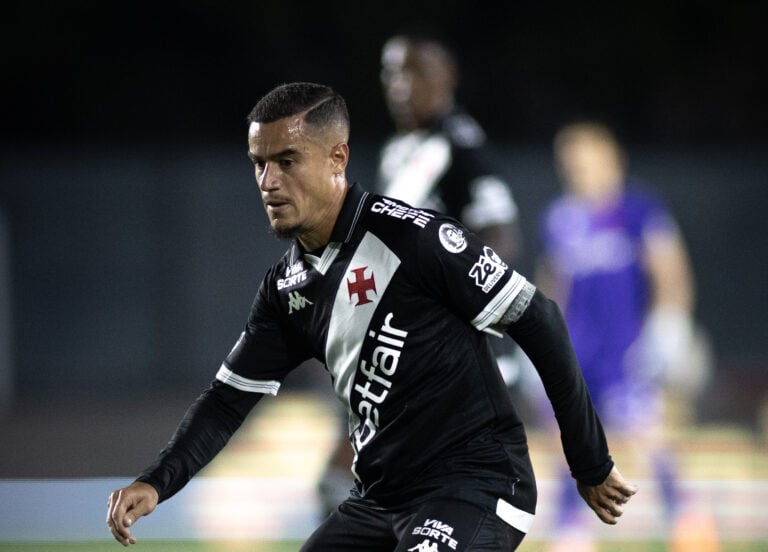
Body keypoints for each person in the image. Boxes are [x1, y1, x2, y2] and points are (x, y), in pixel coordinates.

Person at [106, 83, 636, 551]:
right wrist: (156, 482)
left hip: (474, 486)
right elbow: (226, 401)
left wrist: (588, 461)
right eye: (258, 162)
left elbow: (539, 318)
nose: (268, 181)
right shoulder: (286, 291)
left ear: (337, 158)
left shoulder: (415, 239)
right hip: (380, 500)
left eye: (287, 160)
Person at [317, 29, 525, 517]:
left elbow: (499, 230)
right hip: (392, 344)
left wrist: (452, 311)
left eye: (416, 71)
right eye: (392, 72)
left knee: (377, 488)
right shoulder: (399, 150)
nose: (401, 84)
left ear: (447, 78)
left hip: (439, 356)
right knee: (358, 485)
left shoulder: (458, 143)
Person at [534, 121, 709, 549]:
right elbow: (553, 283)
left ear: (612, 159)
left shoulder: (638, 209)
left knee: (648, 435)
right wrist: (537, 336)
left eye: (587, 159)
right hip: (576, 351)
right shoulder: (560, 218)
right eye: (571, 162)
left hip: (626, 350)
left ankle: (684, 517)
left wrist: (670, 324)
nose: (578, 169)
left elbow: (670, 270)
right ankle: (571, 528)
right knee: (566, 438)